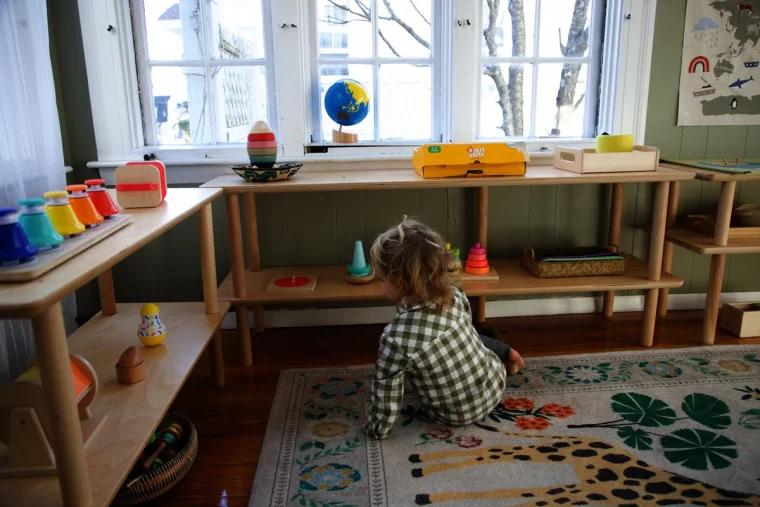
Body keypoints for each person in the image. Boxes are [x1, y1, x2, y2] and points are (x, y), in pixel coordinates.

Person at [362, 217, 524, 440]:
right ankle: (506, 353)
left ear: (399, 282)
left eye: (381, 279)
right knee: (465, 335)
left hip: (453, 414)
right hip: (495, 384)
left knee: (406, 363)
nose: (378, 284)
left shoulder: (395, 338)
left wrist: (377, 428)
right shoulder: (455, 295)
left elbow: (386, 390)